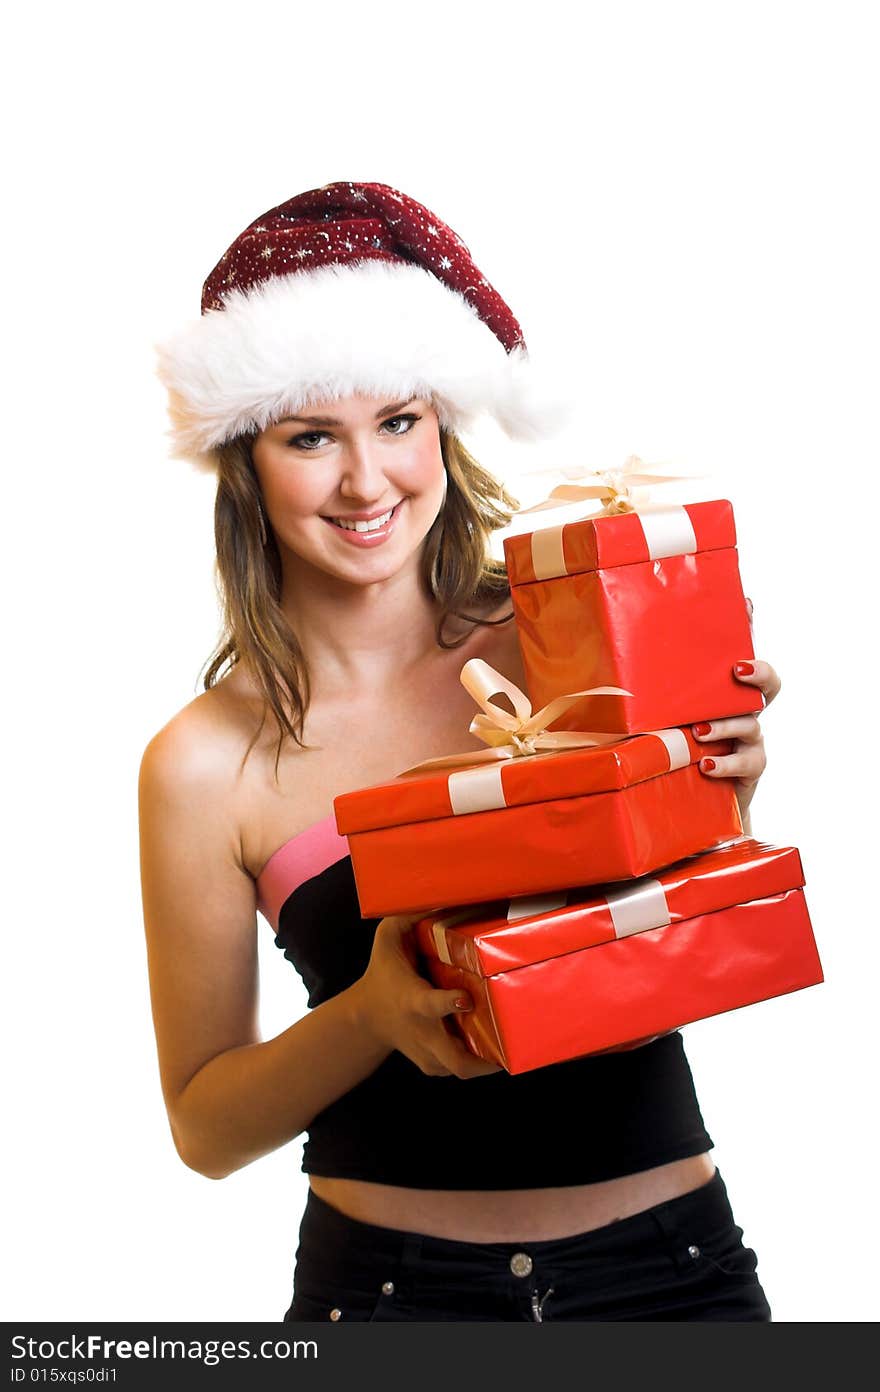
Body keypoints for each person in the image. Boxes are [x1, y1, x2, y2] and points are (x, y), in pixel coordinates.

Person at [140, 181, 780, 1322]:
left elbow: (687, 915)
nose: (365, 481)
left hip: (674, 1278)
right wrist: (369, 1016)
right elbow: (204, 1129)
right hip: (388, 1299)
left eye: (397, 422)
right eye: (309, 438)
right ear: (245, 459)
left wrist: (713, 768)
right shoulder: (202, 765)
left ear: (442, 422)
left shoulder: (568, 645)